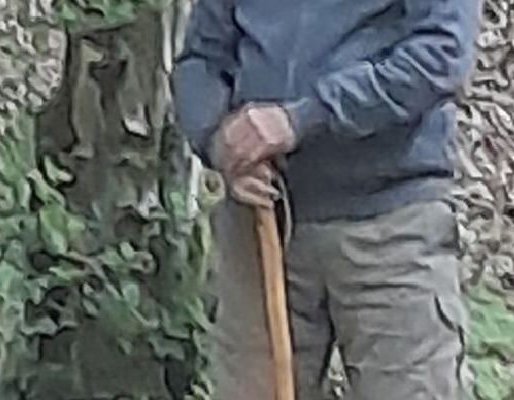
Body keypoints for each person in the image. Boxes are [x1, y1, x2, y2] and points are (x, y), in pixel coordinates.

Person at [170, 0, 482, 398]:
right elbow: (201, 58)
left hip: (391, 223)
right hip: (263, 223)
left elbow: (439, 55)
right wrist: (222, 142)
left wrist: (301, 119)